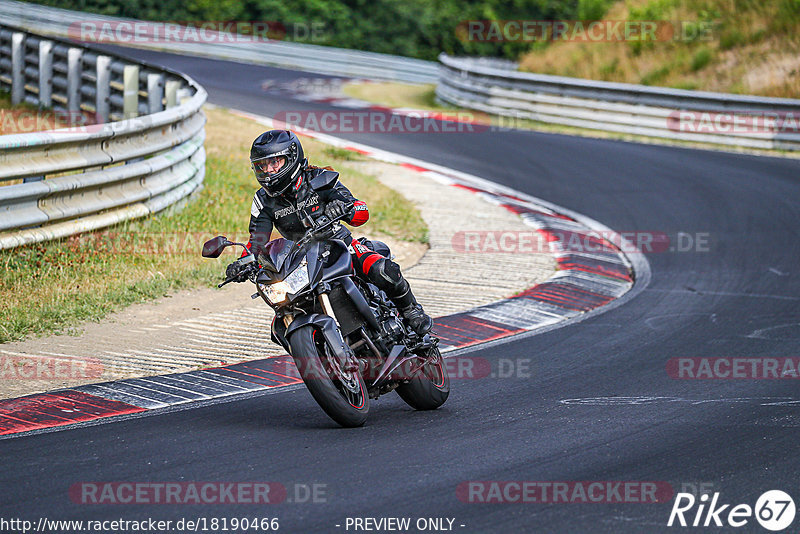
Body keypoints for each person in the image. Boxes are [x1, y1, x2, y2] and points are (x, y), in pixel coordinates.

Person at [226, 129, 433, 335]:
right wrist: (243, 263)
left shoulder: (319, 178)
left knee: (379, 268)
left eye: (274, 163)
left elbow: (360, 210)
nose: (269, 171)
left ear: (291, 158)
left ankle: (411, 310)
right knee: (279, 325)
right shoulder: (263, 201)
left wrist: (345, 208)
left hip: (338, 244)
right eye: (262, 166)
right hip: (300, 260)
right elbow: (257, 240)